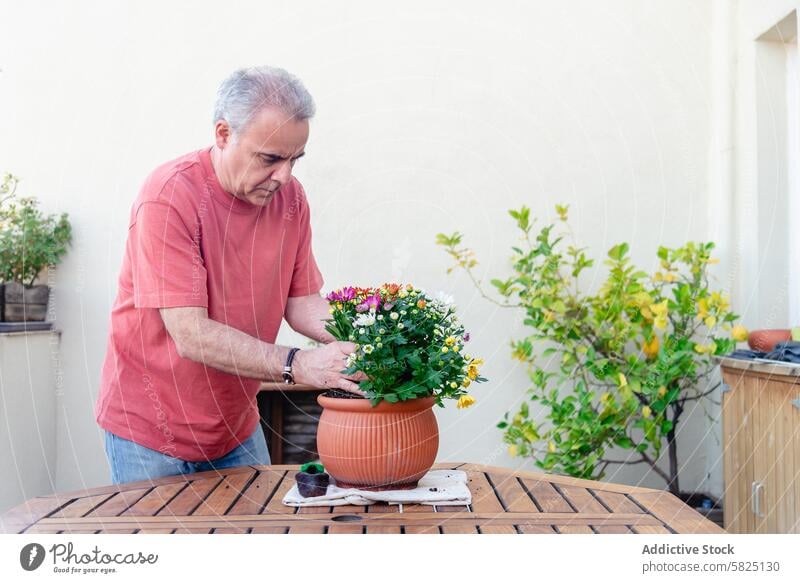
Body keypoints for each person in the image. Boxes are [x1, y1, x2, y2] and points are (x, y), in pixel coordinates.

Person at [95, 66, 363, 484]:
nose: (284, 176)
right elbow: (191, 333)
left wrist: (367, 341)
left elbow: (302, 301)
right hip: (148, 435)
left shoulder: (290, 199)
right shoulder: (168, 197)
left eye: (295, 159)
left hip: (234, 429)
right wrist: (299, 364)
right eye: (270, 158)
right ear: (223, 134)